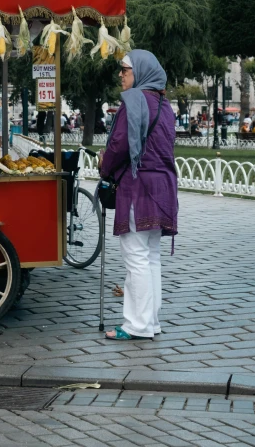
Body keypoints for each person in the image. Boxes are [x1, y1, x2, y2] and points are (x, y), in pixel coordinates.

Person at [100, 50, 178, 341]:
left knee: (136, 258)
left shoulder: (134, 100)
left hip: (138, 187)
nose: (121, 75)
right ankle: (151, 321)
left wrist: (104, 167)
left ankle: (137, 325)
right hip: (163, 187)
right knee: (151, 257)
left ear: (140, 72)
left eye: (125, 70)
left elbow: (120, 144)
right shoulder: (164, 104)